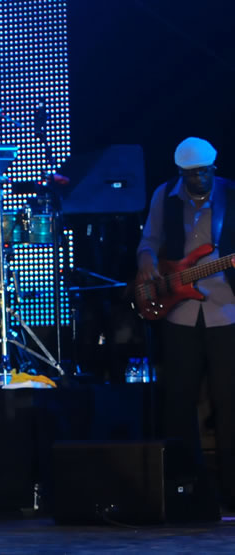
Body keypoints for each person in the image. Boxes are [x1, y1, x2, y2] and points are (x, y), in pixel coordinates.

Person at [136, 136, 235, 515]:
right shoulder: (165, 196)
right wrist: (146, 260)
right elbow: (149, 241)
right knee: (179, 402)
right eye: (194, 175)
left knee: (229, 404)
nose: (202, 180)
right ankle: (187, 488)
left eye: (207, 172)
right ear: (182, 174)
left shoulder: (230, 195)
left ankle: (231, 490)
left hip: (226, 311)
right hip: (179, 312)